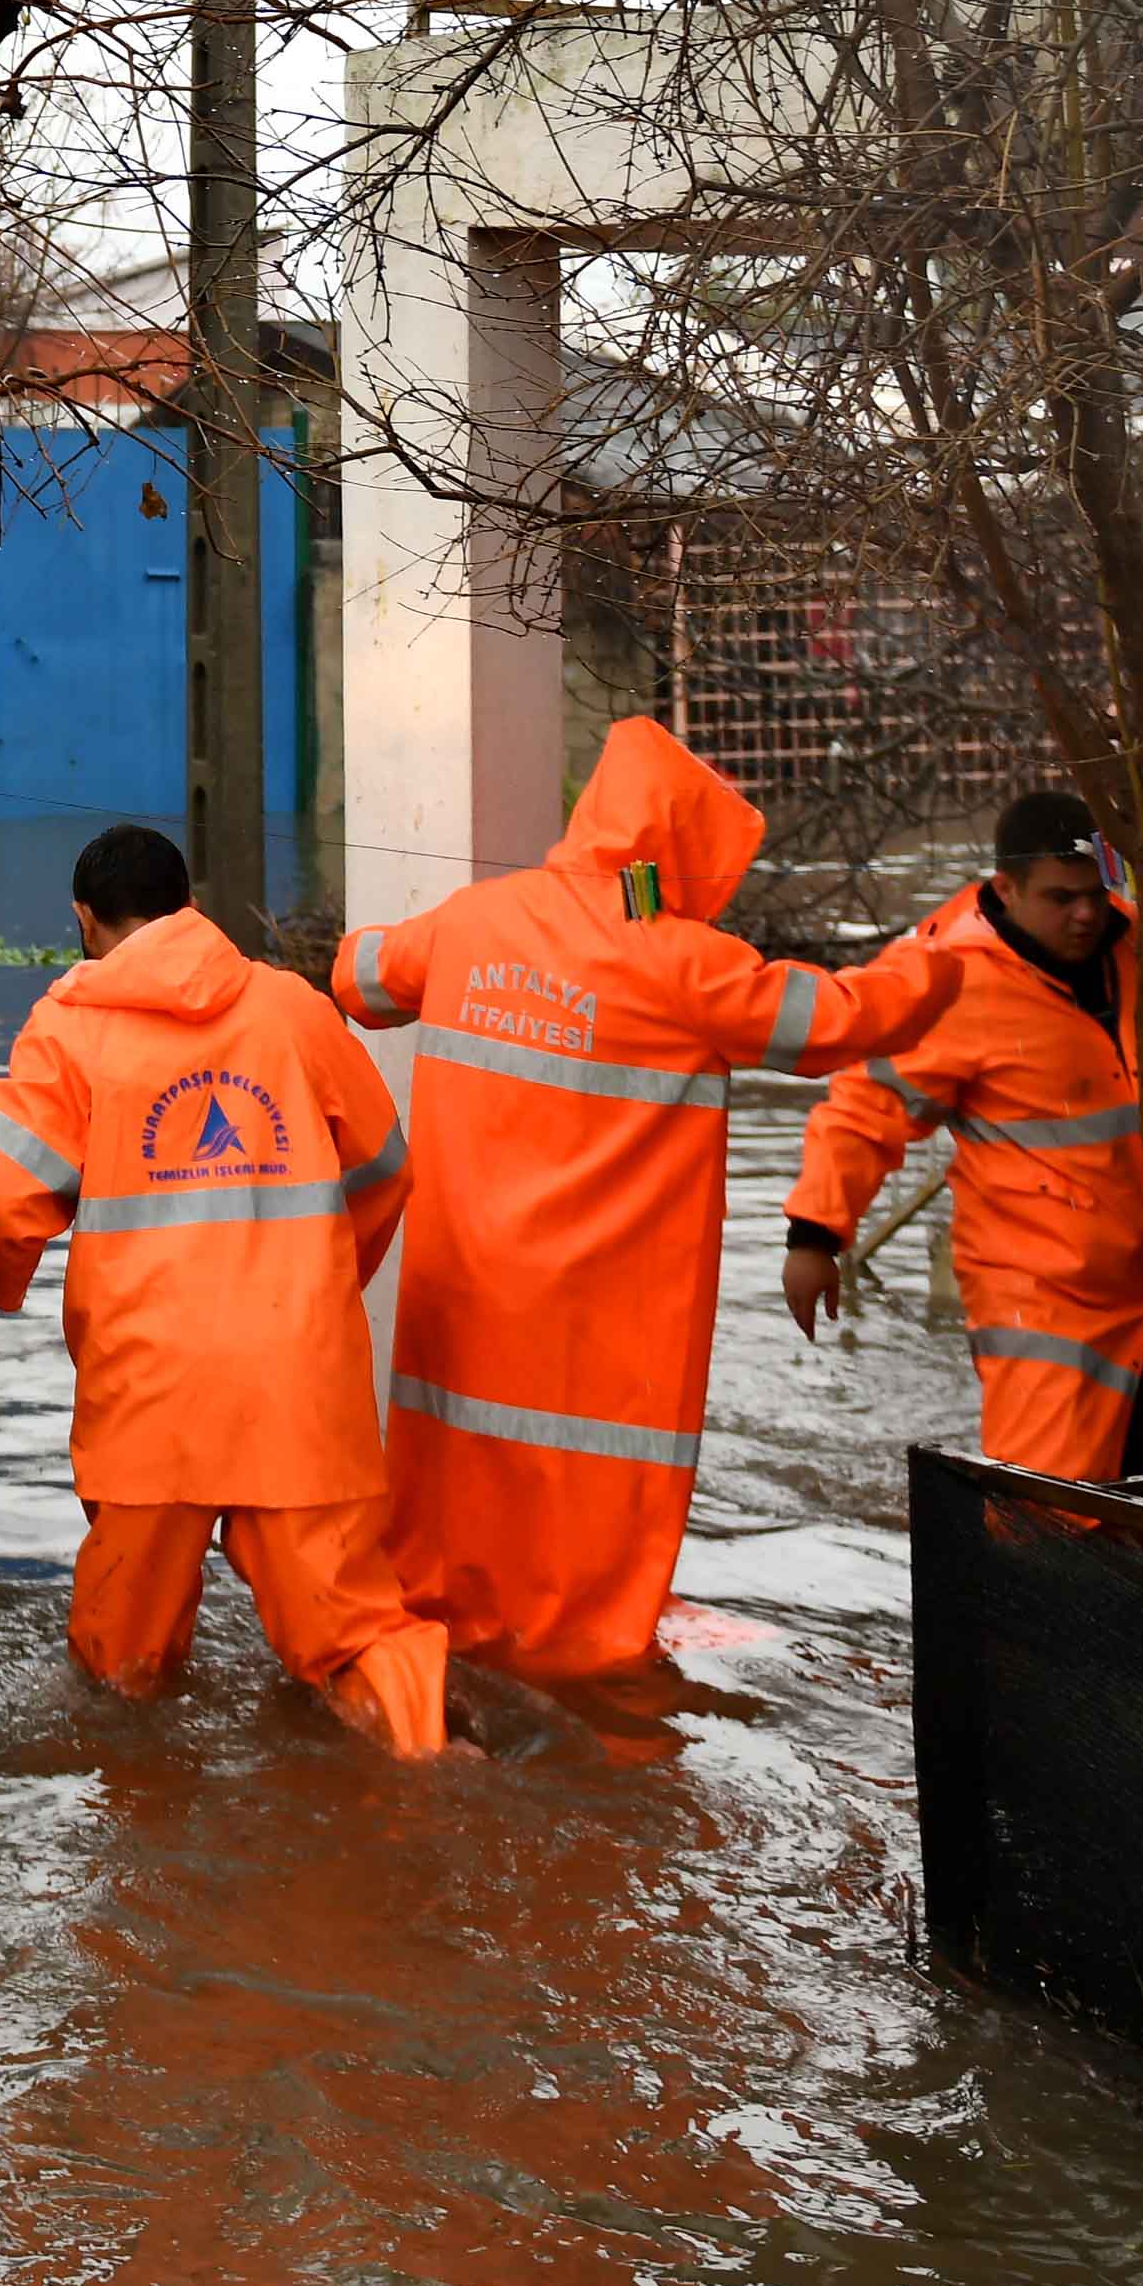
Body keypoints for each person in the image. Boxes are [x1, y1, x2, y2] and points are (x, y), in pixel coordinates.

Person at [327, 716, 963, 1680]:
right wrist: (943, 947)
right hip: (597, 1301)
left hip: (465, 1279)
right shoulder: (683, 965)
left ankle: (451, 1621)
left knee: (465, 1458)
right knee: (589, 1475)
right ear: (682, 846)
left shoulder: (474, 920)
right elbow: (842, 1023)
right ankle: (585, 1652)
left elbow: (359, 979)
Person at [0, 821, 446, 1758]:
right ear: (192, 906)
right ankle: (429, 1764)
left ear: (84, 919)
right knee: (355, 1633)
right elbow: (386, 1168)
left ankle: (144, 1812)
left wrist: (2, 1275)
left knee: (119, 1676)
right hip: (299, 1383)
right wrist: (325, 1289)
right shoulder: (292, 1008)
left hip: (150, 1395)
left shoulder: (71, 1026)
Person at [779, 790, 1143, 1480]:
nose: (1086, 913)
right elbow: (864, 1108)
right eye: (1061, 897)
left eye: (1096, 894)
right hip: (1038, 1294)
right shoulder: (946, 978)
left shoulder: (1138, 948)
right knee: (1048, 1497)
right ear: (1007, 888)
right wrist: (814, 1237)